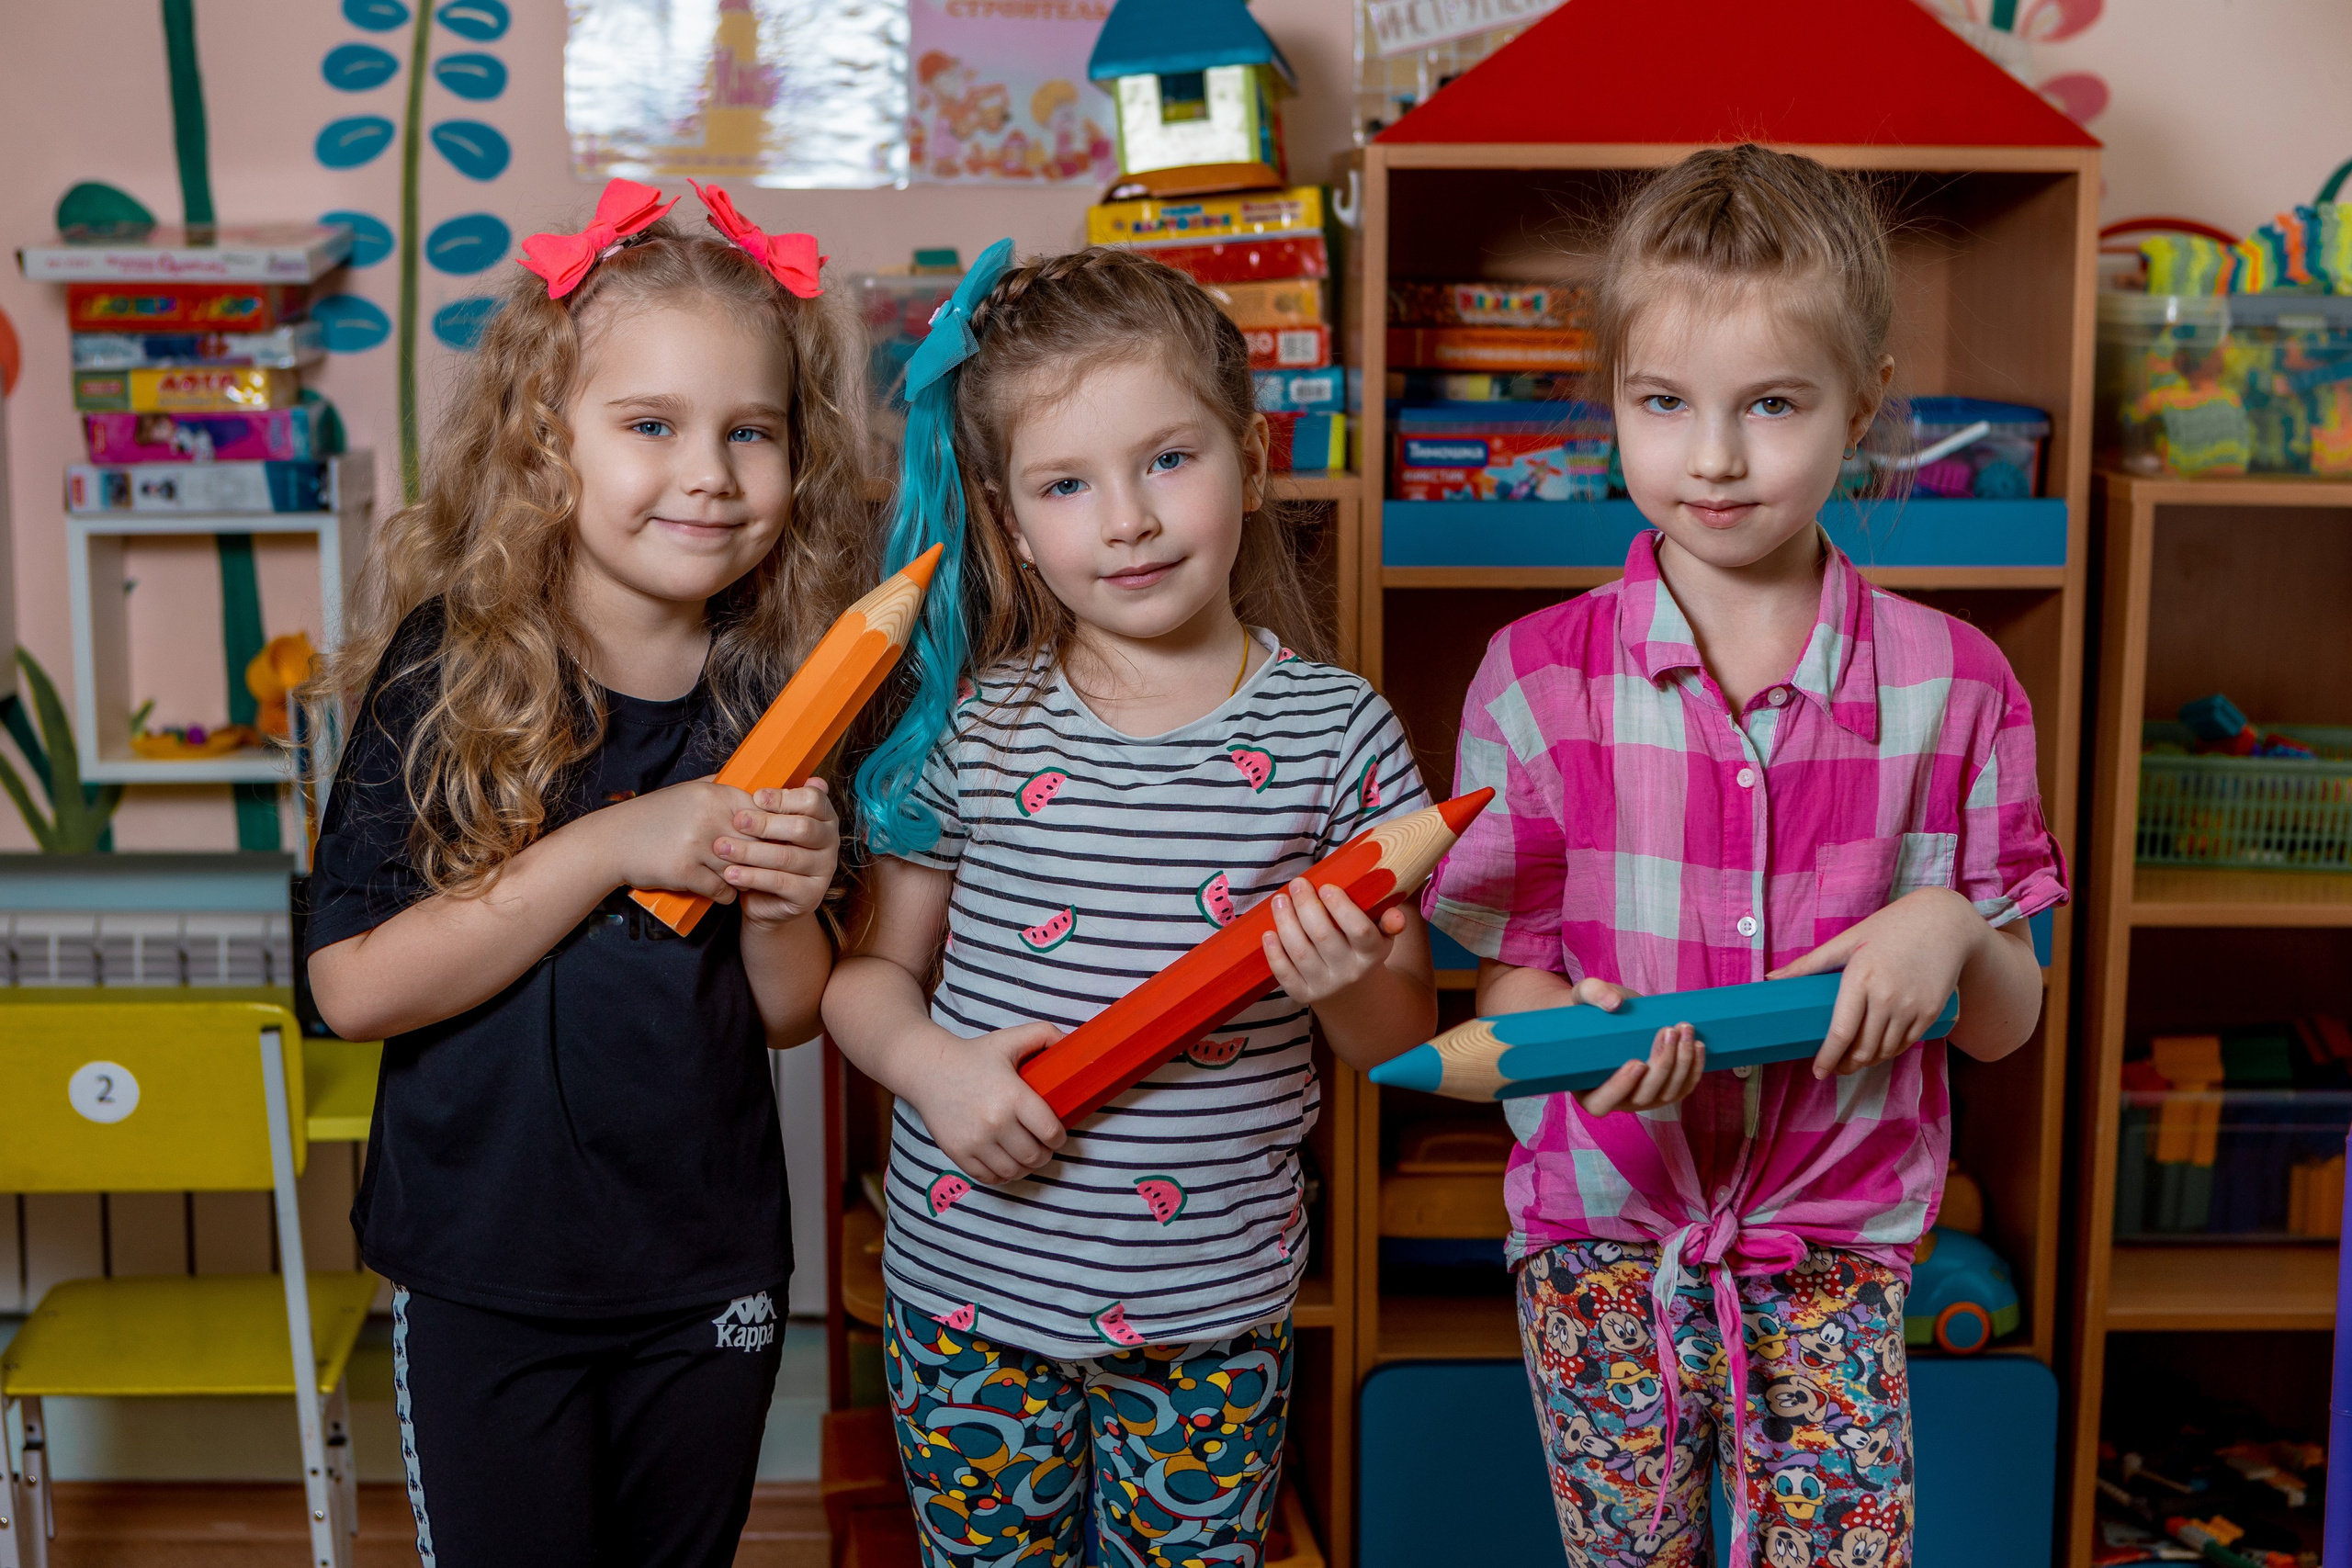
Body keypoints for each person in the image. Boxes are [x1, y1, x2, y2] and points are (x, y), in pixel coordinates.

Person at [1423, 144, 2068, 1568]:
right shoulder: (1535, 683)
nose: (1713, 458)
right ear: (1613, 406)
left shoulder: (1957, 687)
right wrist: (1576, 1050)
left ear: (1866, 407)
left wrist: (1950, 924)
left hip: (1837, 1251)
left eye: (1771, 405)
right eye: (1664, 404)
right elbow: (1504, 1007)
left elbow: (2011, 1028)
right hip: (1601, 1240)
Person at [822, 242, 1436, 1564]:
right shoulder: (975, 729)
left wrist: (1349, 987)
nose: (1128, 519)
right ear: (1010, 520)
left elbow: (1401, 1040)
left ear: (1254, 460)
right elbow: (864, 982)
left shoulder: (1344, 738)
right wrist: (931, 1067)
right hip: (969, 1295)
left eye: (1169, 459)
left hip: (1215, 1311)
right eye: (1066, 483)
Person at [302, 177, 868, 1567]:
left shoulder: (780, 690)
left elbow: (792, 1012)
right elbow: (353, 989)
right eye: (652, 426)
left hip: (711, 1269)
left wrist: (792, 903)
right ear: (545, 442)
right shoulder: (451, 670)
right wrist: (616, 841)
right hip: (488, 1274)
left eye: (752, 431)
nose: (709, 473)